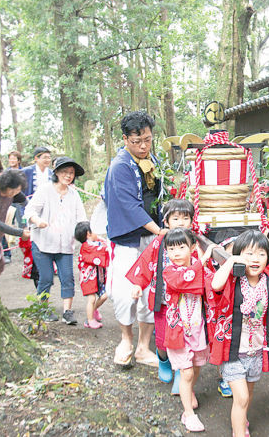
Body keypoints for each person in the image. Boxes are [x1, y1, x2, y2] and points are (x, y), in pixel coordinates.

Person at [209, 230, 269, 437]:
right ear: (239, 255)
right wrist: (230, 262)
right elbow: (215, 285)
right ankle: (239, 432)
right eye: (249, 254)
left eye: (261, 254)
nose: (255, 259)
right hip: (233, 351)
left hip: (256, 349)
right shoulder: (231, 281)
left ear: (268, 256)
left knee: (248, 393)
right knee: (241, 397)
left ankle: (241, 419)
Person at [132, 228, 214, 433]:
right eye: (171, 248)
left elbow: (211, 284)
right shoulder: (169, 272)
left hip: (197, 328)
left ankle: (189, 392)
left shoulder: (199, 267)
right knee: (185, 372)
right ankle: (188, 414)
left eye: (181, 247)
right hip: (178, 331)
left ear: (193, 247)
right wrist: (202, 261)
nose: (176, 253)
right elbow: (184, 280)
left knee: (195, 368)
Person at [104, 111, 166, 367]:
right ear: (125, 139)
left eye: (147, 140)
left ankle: (143, 346)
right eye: (136, 141)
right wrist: (159, 231)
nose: (143, 146)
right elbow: (129, 206)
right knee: (124, 292)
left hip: (151, 237)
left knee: (150, 292)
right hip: (130, 239)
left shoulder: (154, 160)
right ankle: (126, 340)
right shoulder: (120, 166)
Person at [125, 199, 196, 386]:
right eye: (175, 218)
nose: (181, 223)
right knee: (163, 340)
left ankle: (181, 369)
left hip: (186, 303)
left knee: (185, 339)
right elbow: (145, 263)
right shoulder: (159, 242)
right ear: (166, 221)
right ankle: (164, 359)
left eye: (185, 218)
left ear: (192, 221)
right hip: (163, 302)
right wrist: (139, 284)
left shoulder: (194, 243)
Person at [24, 156, 87, 325]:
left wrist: (87, 234)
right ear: (57, 173)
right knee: (45, 277)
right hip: (43, 242)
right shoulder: (45, 190)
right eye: (65, 172)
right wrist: (37, 221)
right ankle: (42, 309)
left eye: (71, 173)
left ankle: (67, 312)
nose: (68, 176)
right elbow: (29, 211)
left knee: (67, 277)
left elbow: (81, 218)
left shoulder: (74, 195)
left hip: (65, 244)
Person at [21, 146, 53, 288]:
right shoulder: (26, 172)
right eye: (44, 157)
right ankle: (33, 270)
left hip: (48, 213)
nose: (47, 160)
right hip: (30, 212)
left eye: (49, 157)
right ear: (36, 158)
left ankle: (48, 269)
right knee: (31, 243)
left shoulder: (52, 174)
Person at [75, 221, 110, 329]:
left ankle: (93, 310)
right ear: (88, 234)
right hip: (89, 278)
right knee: (91, 299)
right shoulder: (87, 247)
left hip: (98, 276)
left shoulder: (95, 243)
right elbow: (103, 251)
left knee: (105, 295)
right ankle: (89, 320)